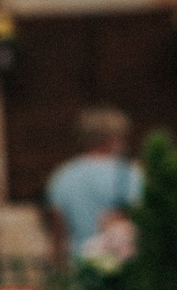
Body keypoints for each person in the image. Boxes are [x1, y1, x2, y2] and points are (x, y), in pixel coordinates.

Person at [44, 106, 143, 266]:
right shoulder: (131, 174)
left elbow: (59, 236)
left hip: (81, 267)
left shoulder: (62, 176)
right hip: (123, 267)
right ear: (112, 138)